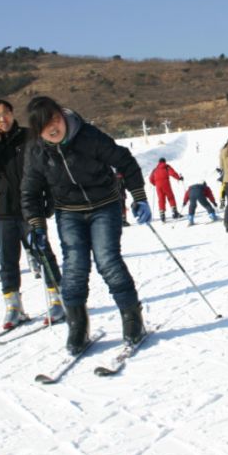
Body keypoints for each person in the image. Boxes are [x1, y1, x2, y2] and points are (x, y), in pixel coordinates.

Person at [21, 96, 151, 355]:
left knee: (107, 260)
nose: (54, 127)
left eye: (56, 119)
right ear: (38, 130)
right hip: (69, 211)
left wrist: (139, 196)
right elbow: (30, 191)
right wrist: (35, 225)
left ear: (61, 114)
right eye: (46, 125)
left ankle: (132, 317)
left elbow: (124, 160)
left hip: (105, 204)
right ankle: (77, 324)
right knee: (74, 266)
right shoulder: (36, 152)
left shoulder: (87, 135)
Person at [0, 99, 64, 330]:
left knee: (42, 252)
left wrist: (49, 199)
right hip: (4, 210)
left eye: (5, 113)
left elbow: (47, 167)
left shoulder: (30, 137)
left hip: (30, 207)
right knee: (7, 260)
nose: (2, 119)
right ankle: (13, 306)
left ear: (12, 113)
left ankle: (58, 300)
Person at [149, 158, 183, 222]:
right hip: (166, 184)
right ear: (164, 161)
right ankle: (175, 213)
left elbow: (150, 179)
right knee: (170, 197)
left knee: (161, 199)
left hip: (158, 186)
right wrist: (179, 178)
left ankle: (162, 216)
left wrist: (155, 184)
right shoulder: (166, 167)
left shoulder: (155, 169)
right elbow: (172, 173)